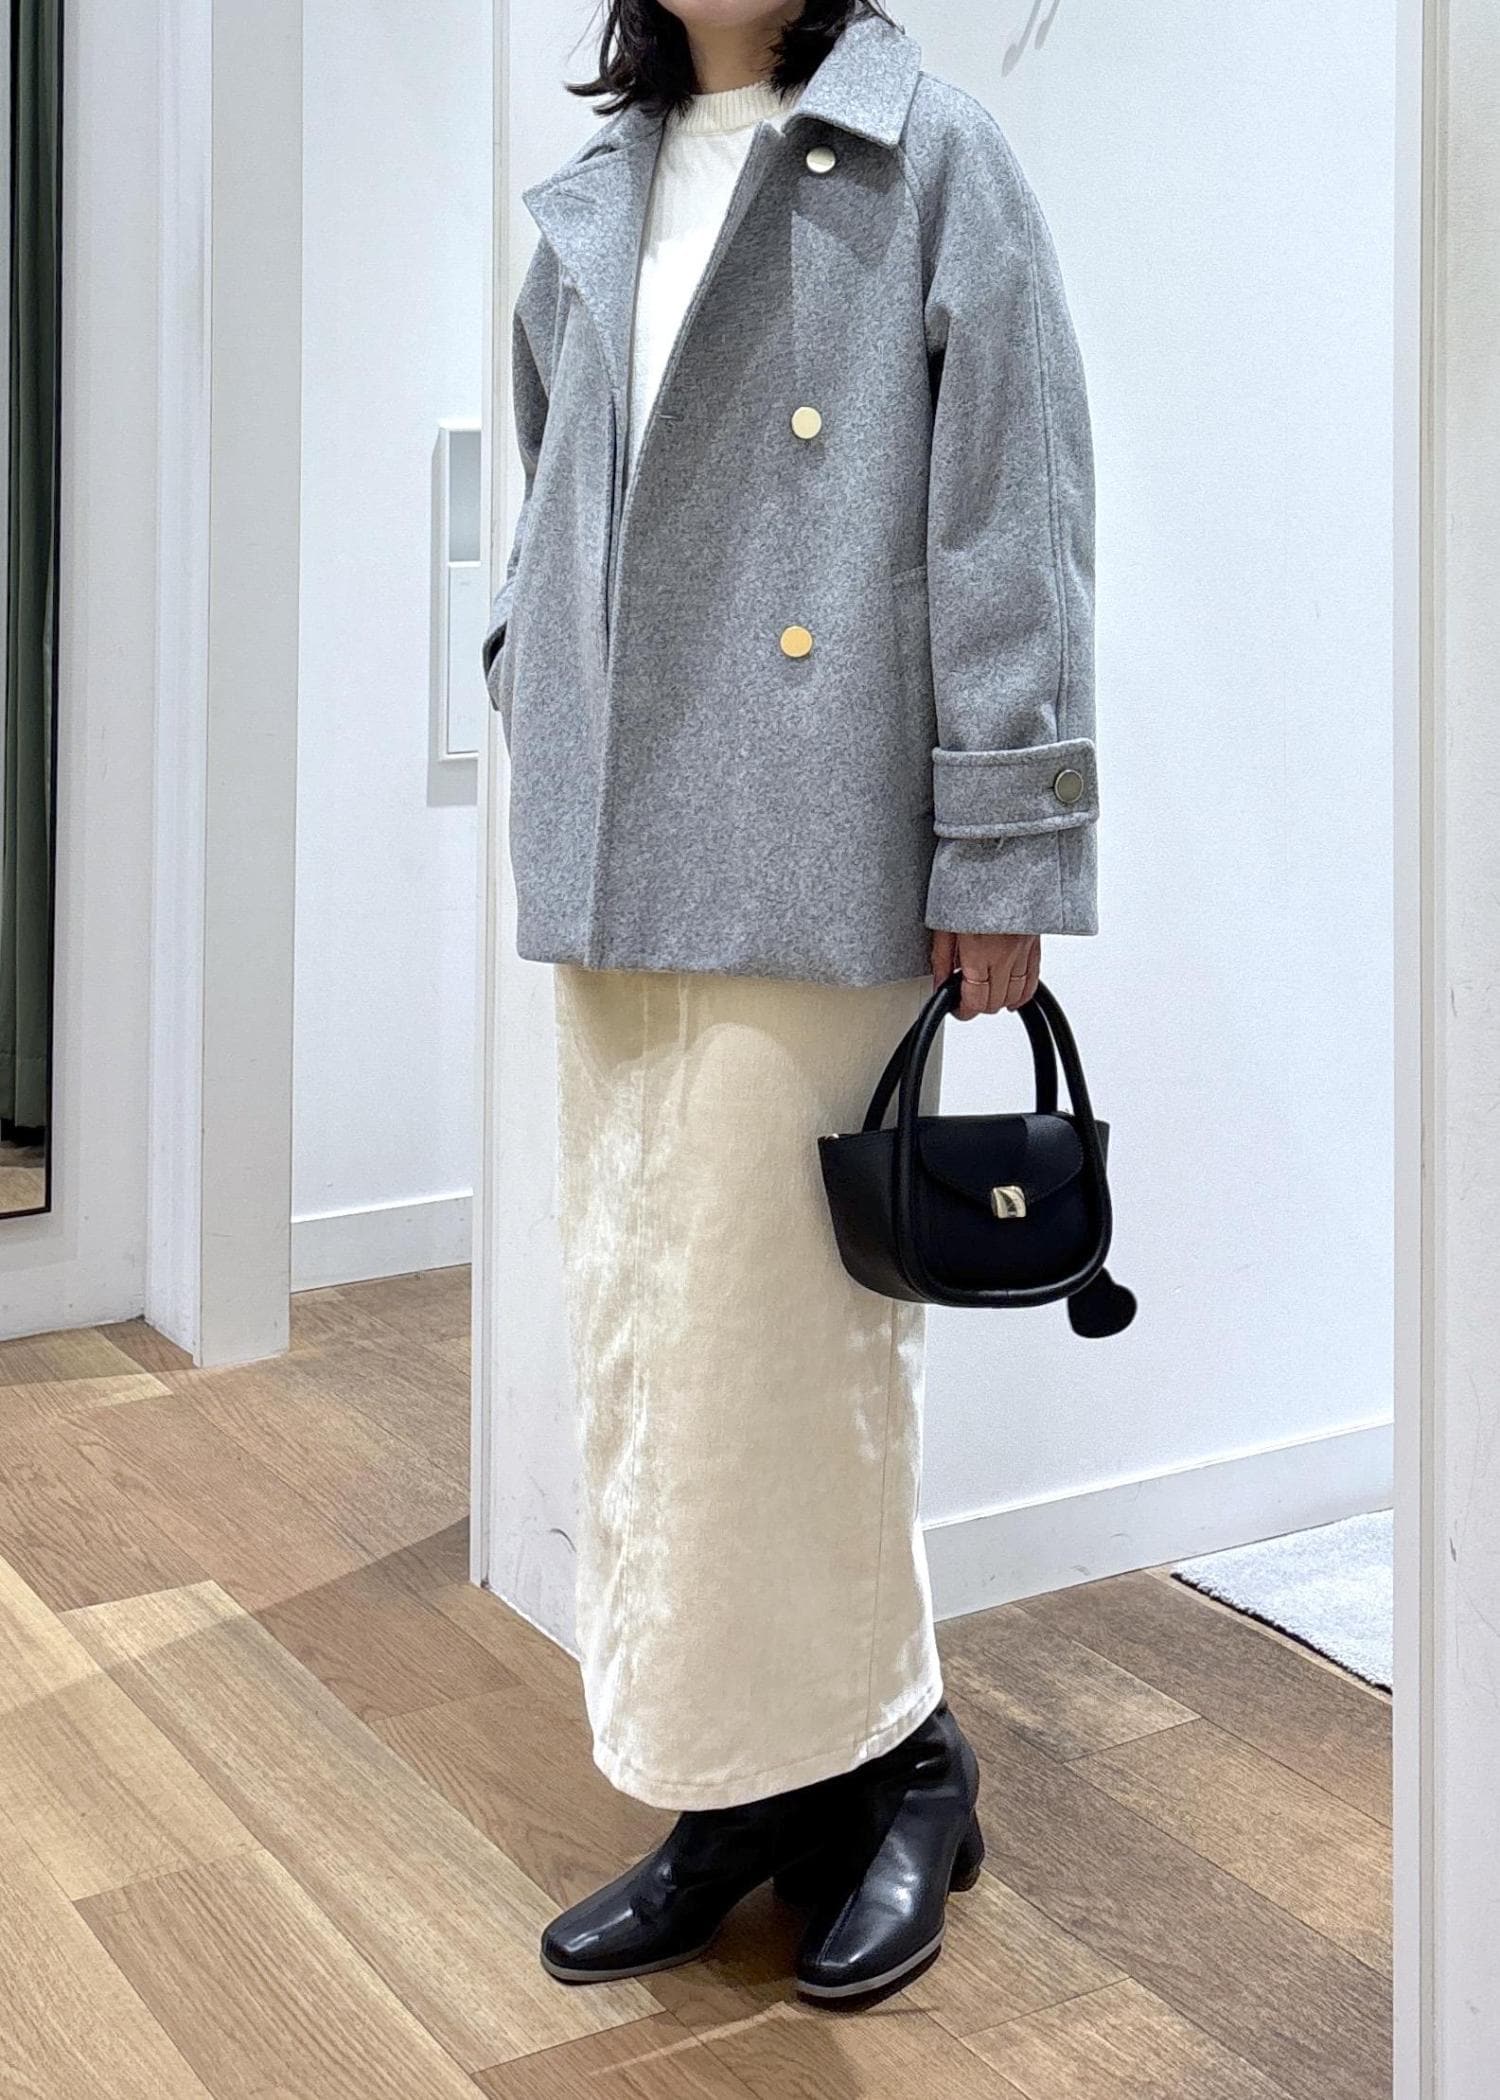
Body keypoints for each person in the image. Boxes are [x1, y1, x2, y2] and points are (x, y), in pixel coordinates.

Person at [482, 0, 1097, 2002]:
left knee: (793, 1351)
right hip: (617, 856)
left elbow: (1010, 516)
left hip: (819, 846)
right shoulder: (599, 186)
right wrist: (528, 668)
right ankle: (736, 1786)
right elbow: (559, 483)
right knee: (653, 1341)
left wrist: (1001, 854)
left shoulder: (933, 159)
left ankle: (903, 1763)